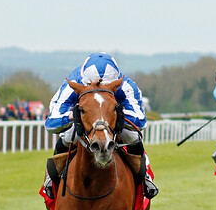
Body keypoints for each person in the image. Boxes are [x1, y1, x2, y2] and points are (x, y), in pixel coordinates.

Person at [43, 52, 158, 199]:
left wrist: (117, 115)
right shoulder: (72, 84)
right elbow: (51, 123)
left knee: (132, 135)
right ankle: (51, 179)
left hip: (112, 120)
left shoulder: (126, 85)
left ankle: (145, 178)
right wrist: (73, 115)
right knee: (67, 135)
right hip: (84, 120)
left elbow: (140, 120)